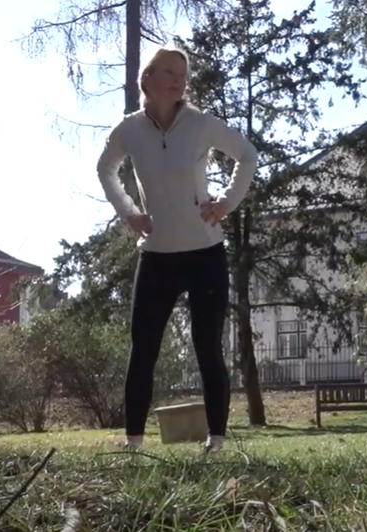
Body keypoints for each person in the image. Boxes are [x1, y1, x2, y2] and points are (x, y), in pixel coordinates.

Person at [96, 43, 258, 453]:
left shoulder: (201, 124)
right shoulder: (129, 129)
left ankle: (216, 441)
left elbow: (247, 155)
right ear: (146, 78)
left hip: (205, 253)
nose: (178, 79)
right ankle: (133, 442)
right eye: (168, 71)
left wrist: (226, 203)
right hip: (156, 256)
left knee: (208, 348)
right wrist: (130, 213)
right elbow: (105, 169)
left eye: (182, 74)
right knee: (144, 349)